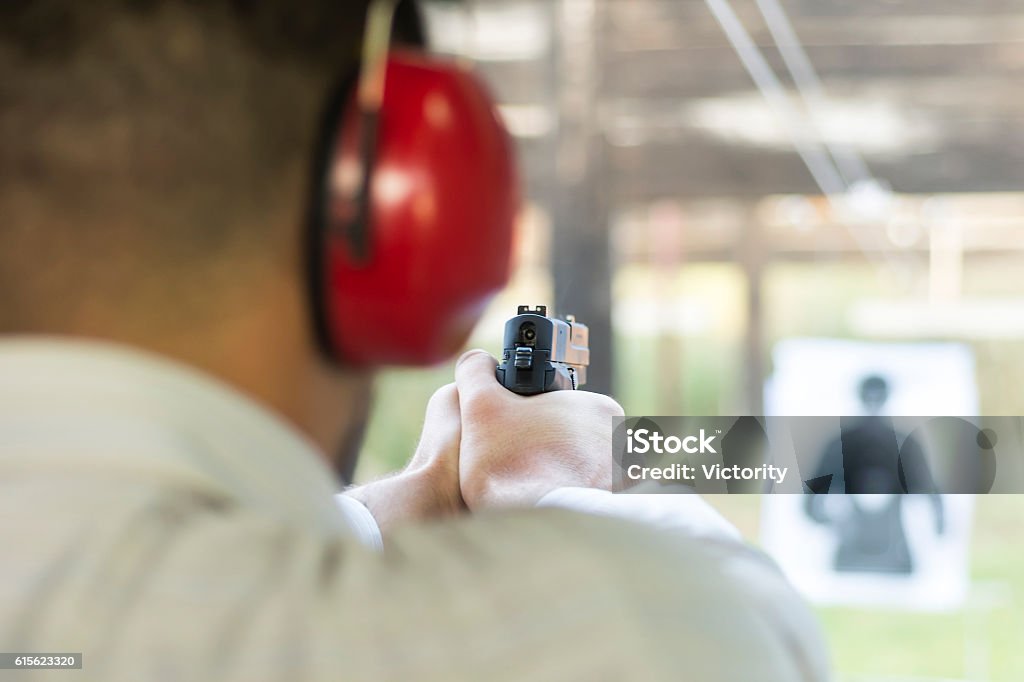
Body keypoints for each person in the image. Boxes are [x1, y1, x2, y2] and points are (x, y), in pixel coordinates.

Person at [0, 1, 829, 680]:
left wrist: (408, 503)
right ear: (409, 229)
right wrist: (546, 486)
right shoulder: (634, 630)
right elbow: (721, 625)